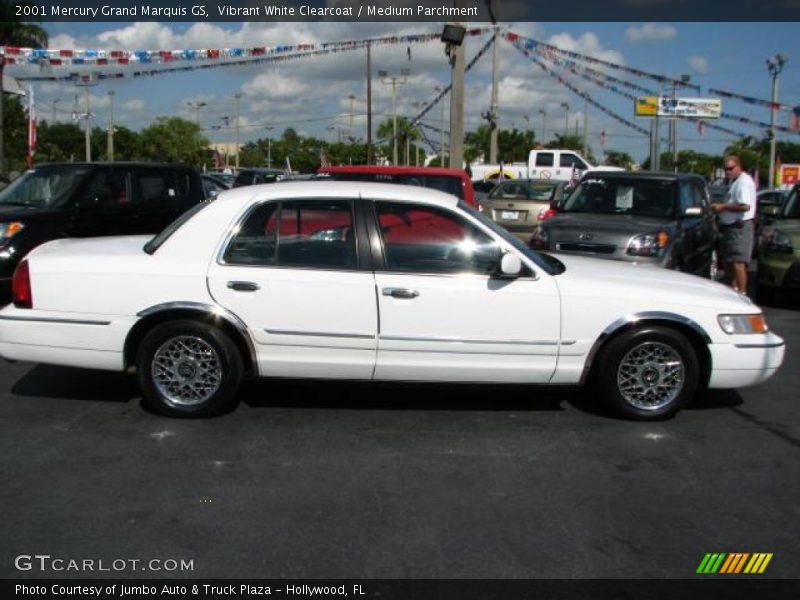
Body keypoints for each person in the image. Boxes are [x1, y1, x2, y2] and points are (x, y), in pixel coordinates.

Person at [711, 155, 757, 294]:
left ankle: (742, 293)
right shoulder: (735, 182)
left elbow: (745, 206)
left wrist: (722, 207)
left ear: (739, 166)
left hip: (739, 227)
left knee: (738, 262)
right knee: (729, 261)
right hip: (730, 227)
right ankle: (733, 288)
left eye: (730, 168)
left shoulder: (743, 182)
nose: (727, 172)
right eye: (725, 169)